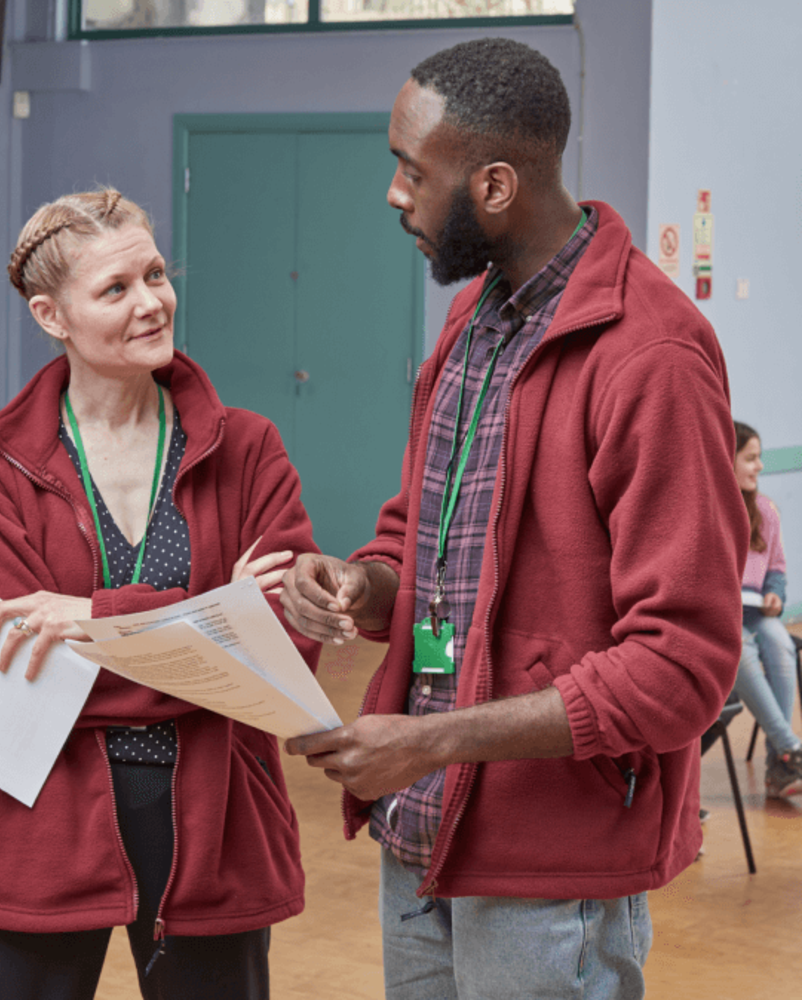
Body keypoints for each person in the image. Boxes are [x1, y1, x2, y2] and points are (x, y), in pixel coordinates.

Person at [280, 38, 747, 1000]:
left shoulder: (651, 357)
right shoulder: (476, 322)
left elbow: (685, 668)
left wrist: (434, 738)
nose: (395, 194)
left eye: (414, 171)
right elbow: (427, 545)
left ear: (493, 184)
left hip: (549, 870)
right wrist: (362, 583)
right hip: (422, 832)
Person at [0, 188, 320, 1000]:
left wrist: (90, 619)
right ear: (53, 316)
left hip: (214, 828)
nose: (153, 302)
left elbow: (284, 657)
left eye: (155, 273)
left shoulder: (249, 448)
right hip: (38, 828)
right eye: (116, 290)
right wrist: (210, 626)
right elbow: (25, 669)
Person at [732, 420, 802, 797]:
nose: (760, 466)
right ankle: (789, 749)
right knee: (741, 651)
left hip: (759, 610)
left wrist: (776, 593)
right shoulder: (712, 510)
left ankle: (781, 760)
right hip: (725, 615)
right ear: (727, 460)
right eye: (751, 458)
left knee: (780, 643)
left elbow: (776, 566)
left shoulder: (766, 509)